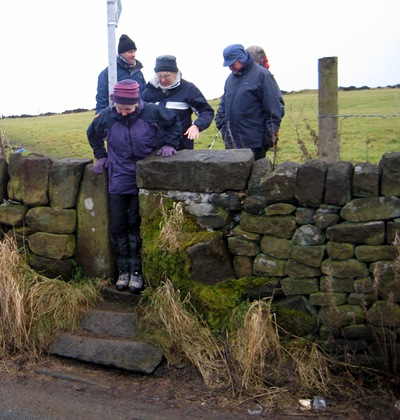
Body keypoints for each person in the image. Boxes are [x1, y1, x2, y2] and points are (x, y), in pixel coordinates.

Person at [87, 79, 181, 293]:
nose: (123, 112)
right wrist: (101, 155)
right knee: (118, 226)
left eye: (127, 109)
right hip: (119, 177)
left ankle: (137, 273)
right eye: (119, 108)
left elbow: (174, 123)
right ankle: (123, 271)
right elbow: (92, 133)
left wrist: (169, 144)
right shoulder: (107, 116)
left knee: (136, 225)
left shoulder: (153, 112)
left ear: (137, 102)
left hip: (146, 178)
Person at [215, 44, 285, 160]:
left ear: (241, 58)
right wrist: (222, 126)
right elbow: (224, 105)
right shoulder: (230, 79)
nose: (230, 67)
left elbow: (273, 109)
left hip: (254, 144)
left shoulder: (262, 76)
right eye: (228, 65)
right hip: (232, 142)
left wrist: (269, 137)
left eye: (233, 63)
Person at [141, 55, 214, 150]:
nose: (163, 80)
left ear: (175, 73)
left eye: (167, 76)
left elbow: (206, 112)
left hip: (180, 147)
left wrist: (197, 125)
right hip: (151, 147)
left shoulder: (189, 89)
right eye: (159, 76)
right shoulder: (148, 91)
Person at [95, 34, 146, 114]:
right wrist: (101, 118)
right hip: (118, 115)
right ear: (121, 53)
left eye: (134, 51)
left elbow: (144, 95)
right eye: (130, 52)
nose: (133, 55)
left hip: (137, 116)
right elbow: (102, 98)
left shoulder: (138, 73)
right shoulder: (108, 73)